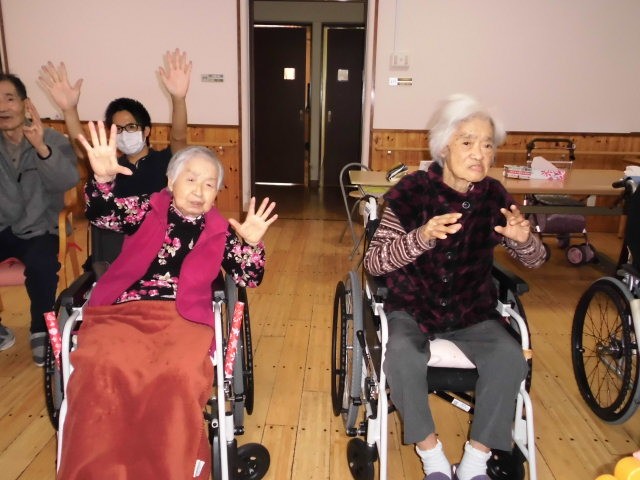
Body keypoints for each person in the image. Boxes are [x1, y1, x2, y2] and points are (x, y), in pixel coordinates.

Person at [57, 120, 277, 478]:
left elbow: (248, 277)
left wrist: (251, 245)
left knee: (178, 376)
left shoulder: (220, 230)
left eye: (209, 184)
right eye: (191, 179)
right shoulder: (147, 208)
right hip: (123, 310)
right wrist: (102, 180)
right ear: (171, 182)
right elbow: (103, 215)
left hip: (183, 319)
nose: (199, 190)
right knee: (100, 364)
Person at [363, 94, 547, 480]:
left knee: (510, 358)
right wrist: (421, 236)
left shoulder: (495, 197)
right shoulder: (412, 191)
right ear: (444, 145)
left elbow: (536, 260)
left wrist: (523, 241)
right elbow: (375, 262)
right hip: (412, 308)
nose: (480, 153)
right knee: (401, 356)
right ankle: (432, 457)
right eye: (468, 142)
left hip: (471, 311)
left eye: (488, 145)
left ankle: (474, 463)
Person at [38, 48, 192, 264]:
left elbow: (179, 136)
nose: (124, 133)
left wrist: (178, 98)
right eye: (117, 129)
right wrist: (69, 110)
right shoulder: (109, 168)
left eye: (131, 127)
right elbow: (82, 149)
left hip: (163, 251)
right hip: (118, 253)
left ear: (146, 130)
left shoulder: (167, 160)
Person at [0, 73, 79, 363]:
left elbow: (67, 180)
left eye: (9, 98)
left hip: (41, 228)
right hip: (3, 227)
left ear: (25, 103)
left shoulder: (52, 139)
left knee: (42, 264)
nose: (3, 107)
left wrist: (41, 148)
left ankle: (40, 328)